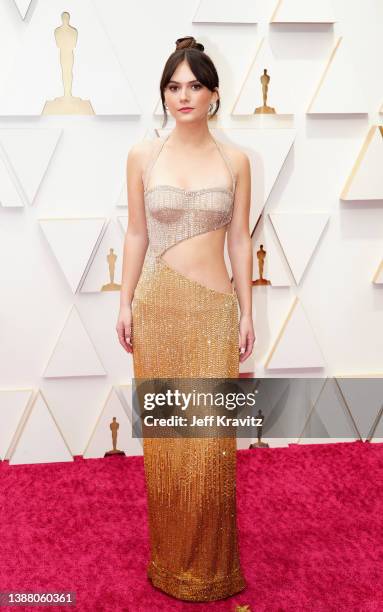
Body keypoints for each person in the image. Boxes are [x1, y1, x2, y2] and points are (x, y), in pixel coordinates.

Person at [116, 35, 255, 602]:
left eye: (194, 85)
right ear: (164, 95)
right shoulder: (143, 156)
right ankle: (170, 561)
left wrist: (247, 312)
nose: (183, 95)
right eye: (174, 87)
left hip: (214, 314)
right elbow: (135, 233)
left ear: (214, 94)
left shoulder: (236, 160)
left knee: (211, 447)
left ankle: (213, 568)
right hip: (158, 310)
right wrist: (124, 302)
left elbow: (240, 240)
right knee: (170, 446)